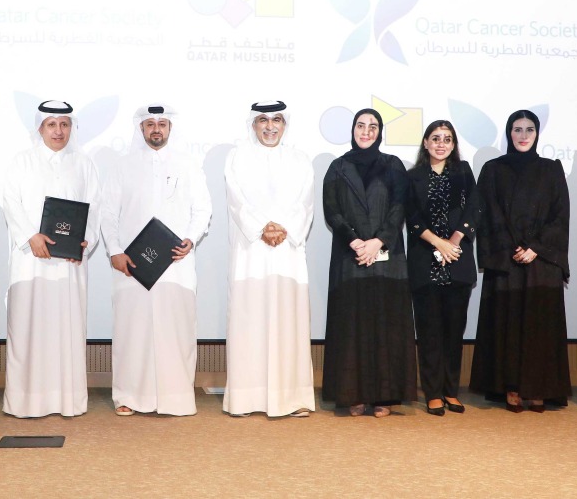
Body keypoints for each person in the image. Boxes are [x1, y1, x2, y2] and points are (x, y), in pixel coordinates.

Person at [100, 104, 212, 416]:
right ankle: (128, 396)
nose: (156, 129)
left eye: (162, 124)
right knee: (132, 332)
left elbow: (203, 209)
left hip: (176, 265)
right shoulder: (122, 166)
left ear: (170, 128)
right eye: (150, 124)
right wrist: (114, 250)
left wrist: (191, 238)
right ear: (141, 129)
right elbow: (107, 213)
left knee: (175, 331)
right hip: (132, 266)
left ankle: (176, 398)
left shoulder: (188, 164)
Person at [2, 100, 100, 418]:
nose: (59, 131)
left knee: (66, 331)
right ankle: (25, 402)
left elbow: (94, 209)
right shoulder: (22, 161)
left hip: (69, 266)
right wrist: (30, 236)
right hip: (31, 261)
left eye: (64, 124)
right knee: (28, 329)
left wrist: (86, 241)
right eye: (52, 124)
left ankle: (67, 401)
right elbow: (11, 202)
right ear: (40, 128)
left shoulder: (84, 164)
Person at [470, 110, 571, 413]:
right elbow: (487, 214)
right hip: (507, 260)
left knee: (540, 325)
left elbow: (560, 215)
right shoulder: (493, 169)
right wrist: (514, 247)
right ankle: (511, 387)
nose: (523, 136)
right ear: (508, 133)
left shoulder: (551, 169)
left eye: (529, 129)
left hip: (542, 262)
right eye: (517, 129)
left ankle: (539, 388)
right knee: (508, 325)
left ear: (537, 134)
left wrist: (535, 247)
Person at [222, 101, 316, 418]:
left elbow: (305, 204)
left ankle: (291, 399)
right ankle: (247, 400)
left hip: (287, 254)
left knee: (289, 324)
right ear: (253, 125)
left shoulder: (300, 160)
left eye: (276, 120)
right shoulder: (237, 157)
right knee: (250, 324)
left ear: (284, 124)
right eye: (263, 120)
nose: (270, 126)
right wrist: (261, 228)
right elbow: (236, 202)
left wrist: (281, 229)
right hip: (251, 254)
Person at [322, 108, 416, 418]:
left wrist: (378, 241)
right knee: (352, 324)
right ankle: (354, 394)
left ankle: (384, 396)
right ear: (353, 130)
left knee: (386, 324)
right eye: (360, 125)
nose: (366, 131)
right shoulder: (338, 167)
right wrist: (355, 241)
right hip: (350, 254)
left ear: (380, 132)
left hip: (387, 257)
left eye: (372, 126)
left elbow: (400, 206)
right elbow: (332, 211)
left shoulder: (393, 165)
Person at [405, 120, 478, 416]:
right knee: (429, 333)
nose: (441, 144)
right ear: (425, 143)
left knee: (453, 332)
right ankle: (433, 393)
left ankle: (451, 391)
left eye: (447, 139)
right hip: (425, 263)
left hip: (457, 261)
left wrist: (453, 242)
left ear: (453, 144)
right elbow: (412, 217)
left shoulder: (464, 171)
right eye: (435, 138)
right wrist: (439, 244)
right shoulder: (413, 176)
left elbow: (474, 208)